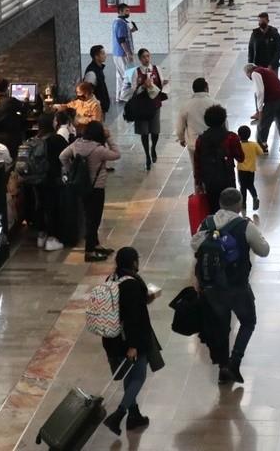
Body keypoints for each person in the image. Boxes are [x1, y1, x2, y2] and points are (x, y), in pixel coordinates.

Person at [192, 188, 269, 384]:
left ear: (219, 202)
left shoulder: (207, 223)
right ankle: (235, 361)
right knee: (248, 322)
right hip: (237, 286)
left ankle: (223, 367)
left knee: (222, 326)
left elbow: (195, 246)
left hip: (212, 288)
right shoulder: (244, 225)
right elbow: (264, 251)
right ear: (239, 203)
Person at [98, 247, 159, 436]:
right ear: (133, 262)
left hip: (112, 338)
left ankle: (134, 415)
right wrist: (133, 345)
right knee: (138, 377)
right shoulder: (131, 284)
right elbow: (134, 318)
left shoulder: (112, 279)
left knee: (128, 377)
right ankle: (119, 414)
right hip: (130, 340)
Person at [59, 121, 120, 262]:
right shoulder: (99, 150)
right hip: (96, 187)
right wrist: (109, 138)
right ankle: (90, 251)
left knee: (89, 215)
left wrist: (70, 171)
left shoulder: (76, 144)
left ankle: (95, 244)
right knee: (94, 219)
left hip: (81, 186)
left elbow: (62, 156)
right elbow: (117, 154)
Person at [193, 105, 245, 213]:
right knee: (230, 211)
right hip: (228, 180)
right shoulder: (231, 137)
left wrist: (198, 183)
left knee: (213, 210)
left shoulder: (201, 140)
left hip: (209, 182)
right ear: (223, 120)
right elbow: (241, 158)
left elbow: (197, 163)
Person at [32, 113, 68, 251]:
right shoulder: (56, 139)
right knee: (52, 207)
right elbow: (68, 153)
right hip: (52, 179)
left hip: (37, 179)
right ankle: (52, 238)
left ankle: (41, 235)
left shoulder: (35, 139)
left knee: (39, 205)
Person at [244, 64, 280, 154]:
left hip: (273, 100)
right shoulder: (265, 70)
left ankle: (262, 148)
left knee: (263, 124)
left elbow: (259, 92)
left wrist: (260, 110)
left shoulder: (255, 73)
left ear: (248, 72)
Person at [175, 78, 213, 157]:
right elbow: (223, 123)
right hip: (211, 143)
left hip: (193, 143)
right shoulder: (214, 104)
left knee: (196, 168)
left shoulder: (186, 105)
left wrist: (182, 139)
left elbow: (180, 127)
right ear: (206, 88)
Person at [111, 3, 137, 102]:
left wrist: (133, 29)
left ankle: (119, 96)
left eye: (128, 10)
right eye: (126, 11)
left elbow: (125, 34)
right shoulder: (120, 23)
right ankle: (125, 96)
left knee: (121, 75)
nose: (128, 12)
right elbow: (121, 39)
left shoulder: (120, 22)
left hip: (118, 53)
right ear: (120, 11)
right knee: (129, 74)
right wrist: (128, 53)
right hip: (123, 54)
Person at [81, 44, 112, 116]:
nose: (105, 55)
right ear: (96, 56)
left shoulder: (98, 68)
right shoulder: (92, 72)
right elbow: (87, 93)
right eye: (103, 53)